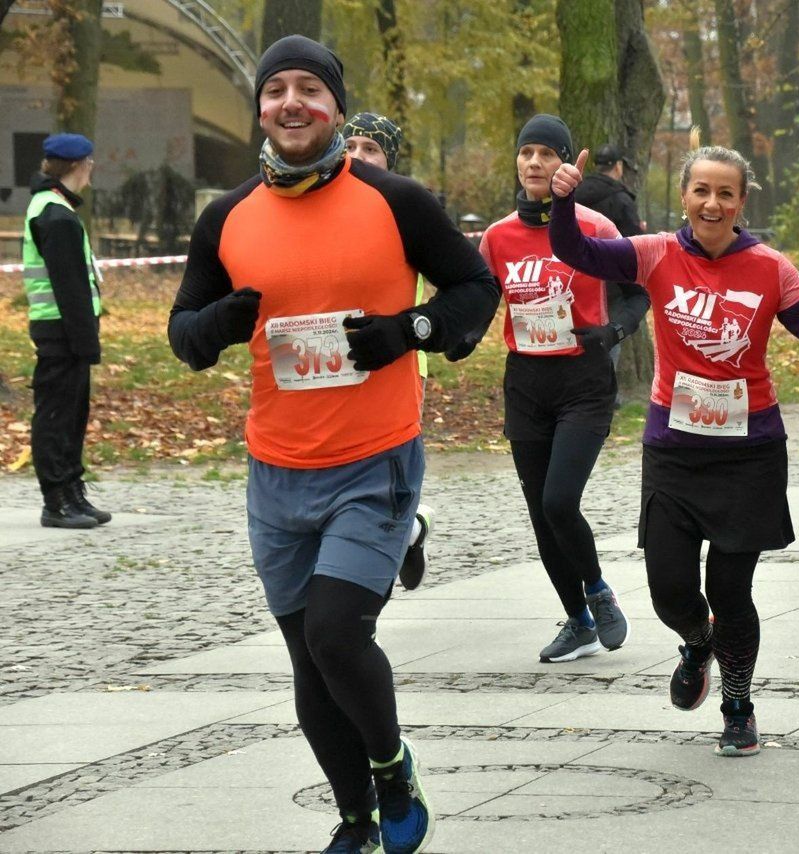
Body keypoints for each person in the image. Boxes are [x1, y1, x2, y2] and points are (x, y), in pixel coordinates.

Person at [168, 35, 500, 854]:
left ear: (336, 109)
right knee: (307, 657)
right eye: (275, 88)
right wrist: (218, 323)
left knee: (335, 634)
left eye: (309, 89)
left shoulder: (396, 202)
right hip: (275, 471)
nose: (291, 102)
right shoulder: (227, 217)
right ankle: (355, 817)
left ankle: (391, 769)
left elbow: (475, 288)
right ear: (260, 109)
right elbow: (184, 333)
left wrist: (407, 332)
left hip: (373, 461)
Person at [549, 140, 799, 757]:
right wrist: (561, 202)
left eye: (725, 193)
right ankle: (697, 642)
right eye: (701, 191)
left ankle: (738, 707)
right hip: (674, 450)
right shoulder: (655, 254)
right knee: (669, 590)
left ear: (741, 203)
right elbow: (575, 250)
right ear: (684, 196)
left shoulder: (770, 267)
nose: (712, 203)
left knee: (731, 591)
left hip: (750, 454)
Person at [447, 114, 649, 663]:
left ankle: (599, 591)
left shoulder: (596, 227)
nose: (534, 163)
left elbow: (637, 295)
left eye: (546, 153)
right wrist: (464, 337)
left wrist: (614, 332)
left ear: (565, 164)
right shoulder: (498, 236)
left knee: (560, 500)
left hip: (583, 380)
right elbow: (484, 299)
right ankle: (579, 621)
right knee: (541, 514)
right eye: (526, 152)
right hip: (527, 383)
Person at [340, 111, 434, 590]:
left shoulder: (404, 207)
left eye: (371, 149)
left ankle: (392, 541)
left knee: (386, 465)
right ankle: (408, 530)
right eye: (349, 145)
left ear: (389, 160)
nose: (357, 156)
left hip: (400, 360)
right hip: (334, 361)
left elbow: (459, 281)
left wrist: (419, 327)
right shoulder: (321, 203)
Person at [23, 133, 112, 529]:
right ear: (78, 166)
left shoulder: (56, 207)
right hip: (62, 332)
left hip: (64, 331)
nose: (92, 170)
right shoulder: (55, 215)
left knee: (72, 414)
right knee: (58, 416)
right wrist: (86, 342)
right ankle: (57, 500)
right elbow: (70, 288)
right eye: (90, 163)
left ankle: (73, 492)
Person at [574, 142, 645, 408]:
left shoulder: (573, 193)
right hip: (611, 283)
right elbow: (636, 245)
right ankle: (605, 395)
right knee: (609, 337)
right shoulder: (621, 199)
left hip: (573, 279)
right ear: (618, 166)